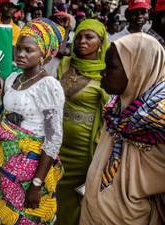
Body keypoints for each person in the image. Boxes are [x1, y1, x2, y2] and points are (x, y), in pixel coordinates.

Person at [0, 18, 65, 224]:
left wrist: (36, 184)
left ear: (44, 54)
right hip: (5, 163)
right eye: (18, 48)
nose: (21, 54)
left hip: (31, 166)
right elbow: (3, 124)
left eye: (28, 50)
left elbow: (54, 140)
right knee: (4, 212)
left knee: (27, 216)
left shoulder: (48, 86)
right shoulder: (14, 79)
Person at [80, 33, 165, 225]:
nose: (103, 73)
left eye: (111, 67)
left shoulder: (158, 122)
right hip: (93, 215)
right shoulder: (116, 109)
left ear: (137, 70)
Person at [55, 19, 109, 225]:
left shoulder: (106, 71)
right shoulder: (65, 64)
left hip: (84, 152)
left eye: (89, 37)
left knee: (77, 199)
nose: (82, 41)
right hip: (57, 145)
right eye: (78, 36)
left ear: (101, 41)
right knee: (51, 193)